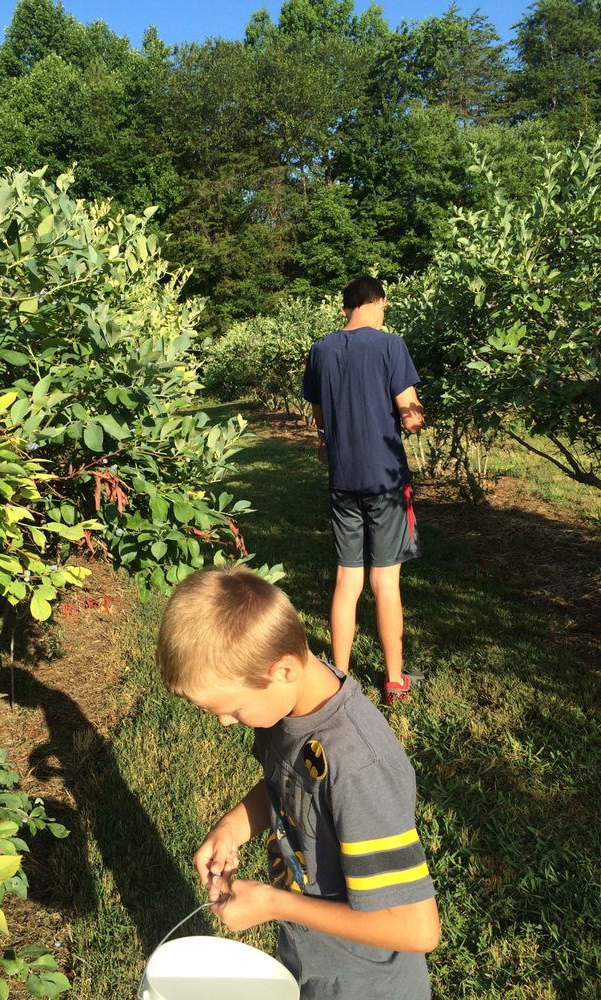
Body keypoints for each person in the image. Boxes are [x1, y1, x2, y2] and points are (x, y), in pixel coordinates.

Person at [156, 565, 440, 1000]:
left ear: (283, 670)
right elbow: (283, 786)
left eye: (232, 710)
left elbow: (417, 929)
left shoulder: (358, 766)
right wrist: (232, 827)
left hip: (367, 985)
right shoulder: (286, 710)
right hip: (312, 961)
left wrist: (275, 904)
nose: (225, 722)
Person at [301, 275, 425, 705]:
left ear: (344, 309)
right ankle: (394, 681)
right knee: (385, 581)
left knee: (346, 579)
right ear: (380, 303)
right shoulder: (391, 345)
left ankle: (338, 679)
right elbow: (410, 417)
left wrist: (325, 440)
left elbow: (318, 411)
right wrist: (416, 416)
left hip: (343, 477)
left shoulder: (321, 350)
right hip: (386, 479)